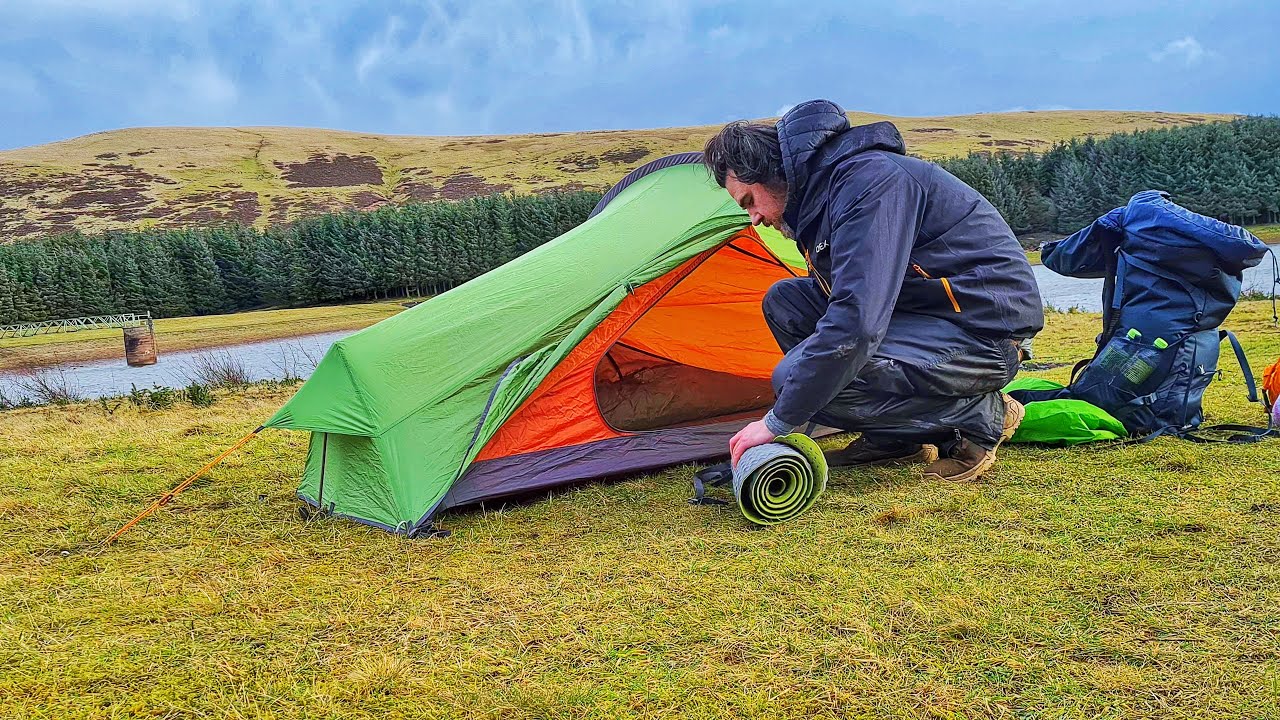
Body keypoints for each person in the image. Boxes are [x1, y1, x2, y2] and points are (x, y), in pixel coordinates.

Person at [704, 99, 1044, 482]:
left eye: (750, 202)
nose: (756, 219)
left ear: (772, 173)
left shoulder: (871, 183)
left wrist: (780, 421)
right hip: (928, 319)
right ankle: (895, 438)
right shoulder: (825, 200)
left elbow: (858, 321)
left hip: (985, 333)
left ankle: (984, 416)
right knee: (787, 303)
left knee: (798, 380)